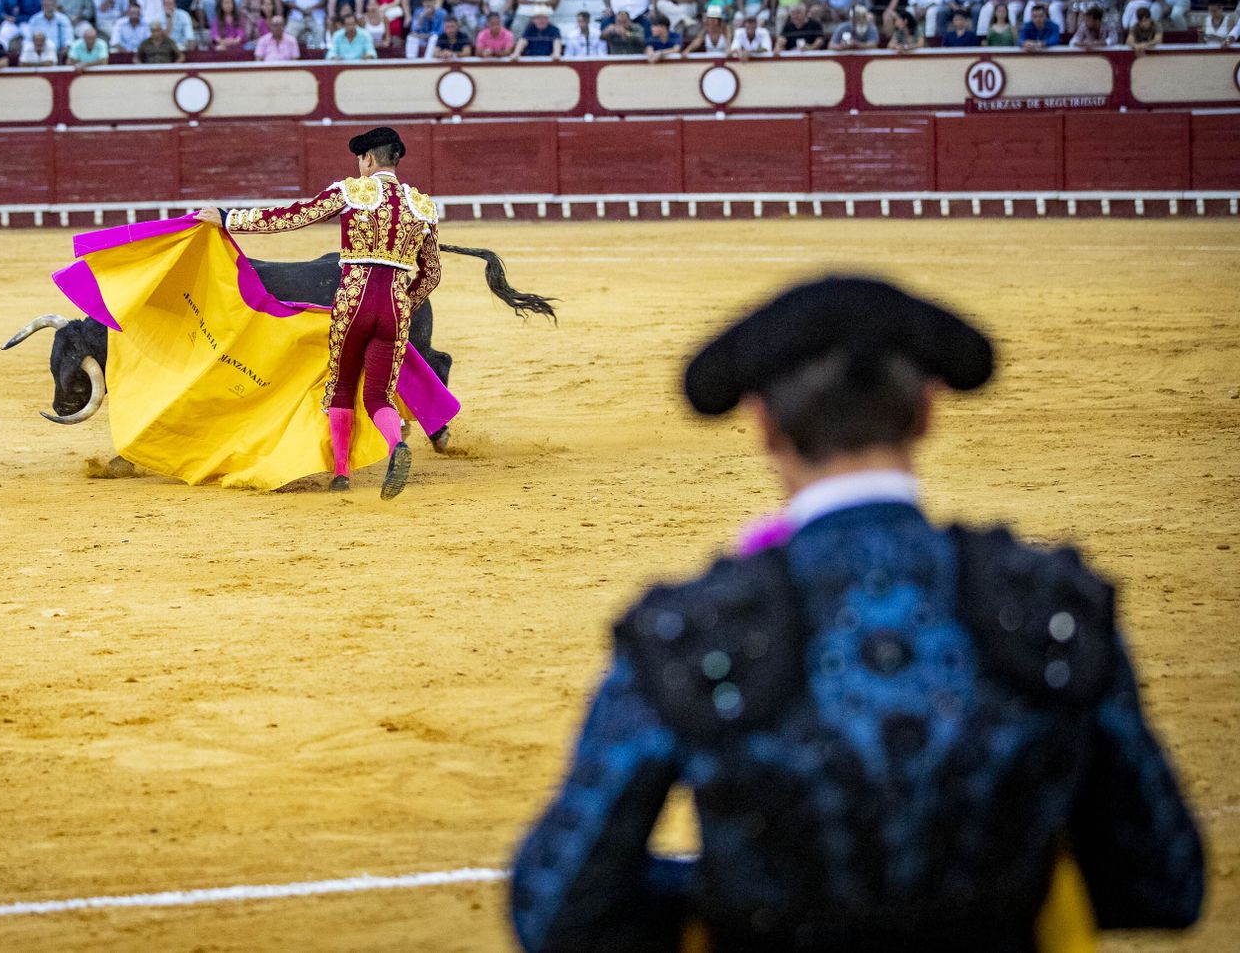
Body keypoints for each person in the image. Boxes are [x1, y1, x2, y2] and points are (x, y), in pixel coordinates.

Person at [510, 275, 1207, 953]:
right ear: (927, 410)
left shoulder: (695, 630)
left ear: (763, 425)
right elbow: (1163, 883)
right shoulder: (1048, 606)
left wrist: (742, 898)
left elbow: (557, 907)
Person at [195, 128, 441, 500]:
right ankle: (396, 447)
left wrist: (230, 219)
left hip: (354, 299)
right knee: (378, 395)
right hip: (394, 305)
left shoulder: (353, 191)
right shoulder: (423, 205)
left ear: (369, 160)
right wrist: (405, 302)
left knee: (341, 386)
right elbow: (433, 273)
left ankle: (341, 474)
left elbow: (294, 216)